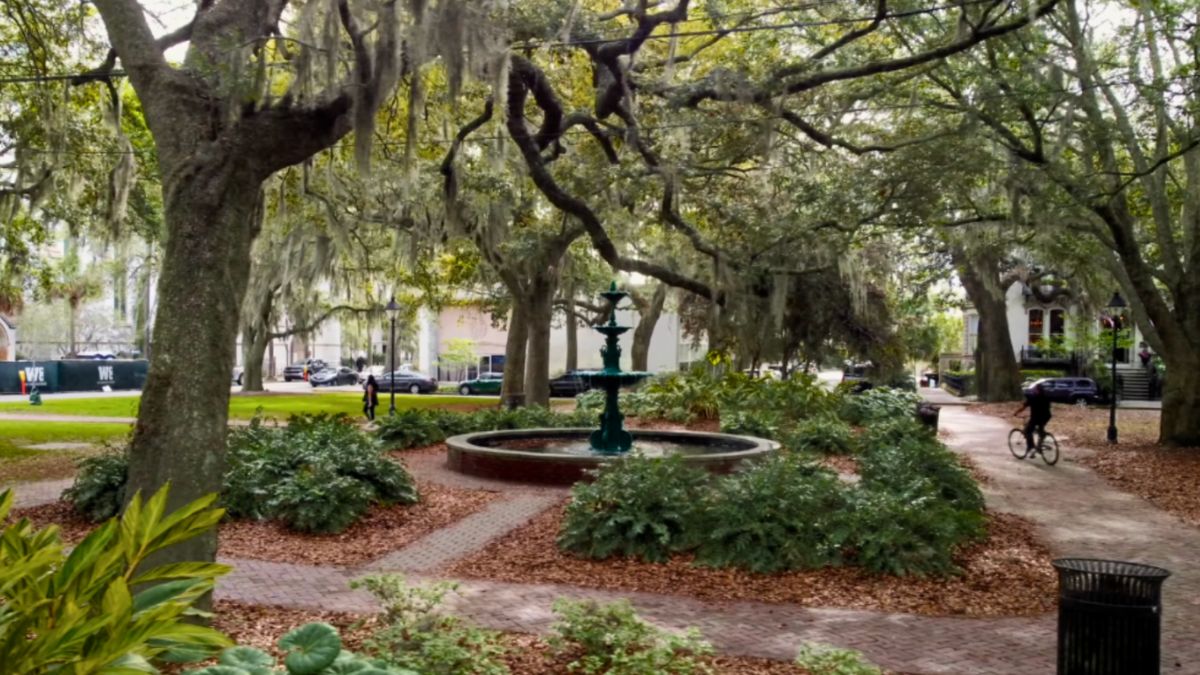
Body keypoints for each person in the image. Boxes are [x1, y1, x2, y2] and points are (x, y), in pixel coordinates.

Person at [1013, 382, 1052, 458]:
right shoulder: (1046, 397)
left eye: (1035, 389)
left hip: (1036, 418)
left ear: (1037, 390)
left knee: (1028, 431)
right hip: (1046, 417)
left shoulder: (1033, 398)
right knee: (1041, 430)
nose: (1034, 391)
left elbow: (1023, 407)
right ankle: (1040, 443)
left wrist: (1016, 412)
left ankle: (1031, 447)